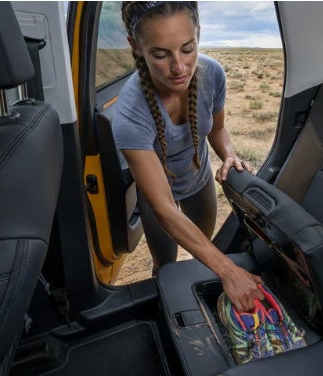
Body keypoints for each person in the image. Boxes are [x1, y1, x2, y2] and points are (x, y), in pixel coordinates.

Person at [111, 1, 263, 309]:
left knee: (201, 251)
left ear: (198, 35)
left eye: (187, 48)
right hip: (159, 199)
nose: (179, 67)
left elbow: (217, 130)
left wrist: (229, 154)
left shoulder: (212, 74)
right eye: (160, 54)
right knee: (164, 266)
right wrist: (229, 271)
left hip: (199, 181)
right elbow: (164, 208)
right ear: (136, 47)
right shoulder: (129, 113)